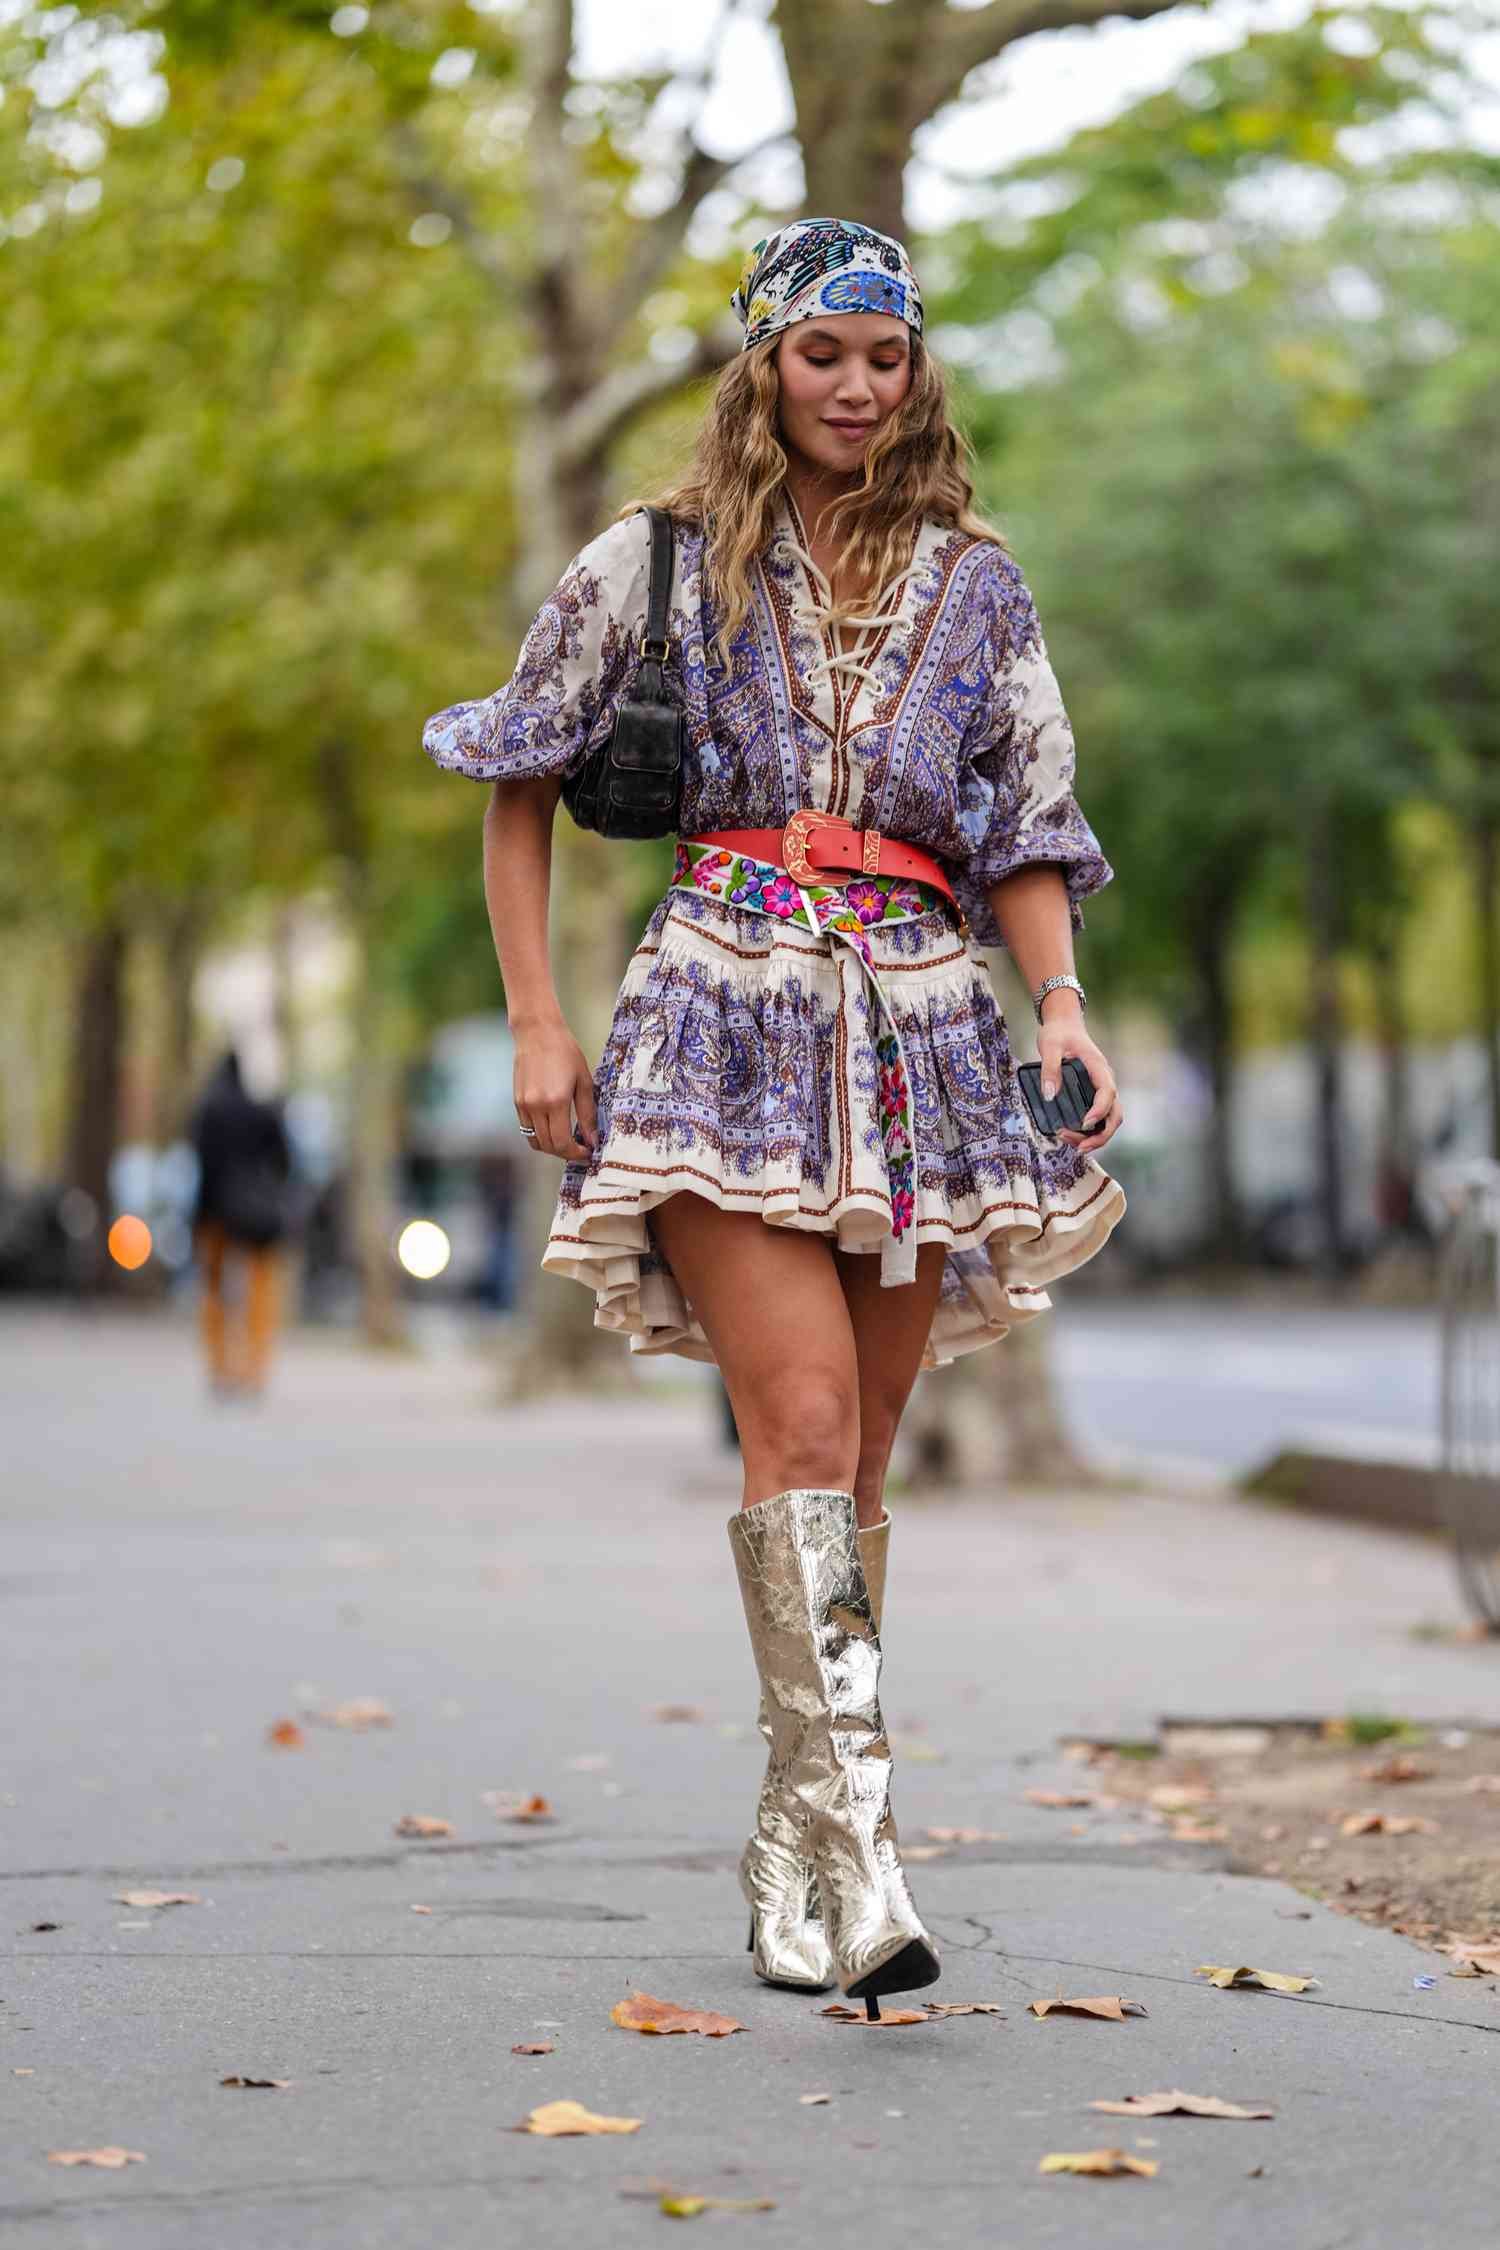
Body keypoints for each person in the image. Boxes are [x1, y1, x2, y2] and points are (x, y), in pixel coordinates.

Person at [423, 217, 1126, 2015]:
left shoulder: (983, 584)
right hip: (717, 1019)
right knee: (800, 1413)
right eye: (824, 356)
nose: (858, 389)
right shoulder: (651, 563)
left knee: (862, 1456)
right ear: (763, 367)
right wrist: (533, 1018)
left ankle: (790, 1842)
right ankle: (868, 1846)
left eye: (886, 359)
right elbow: (518, 773)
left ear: (917, 377)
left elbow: (1029, 824)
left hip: (922, 1033)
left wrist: (1059, 1004)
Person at [189, 1049, 294, 1399]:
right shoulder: (262, 1112)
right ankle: (255, 1369)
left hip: (214, 1214)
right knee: (260, 1292)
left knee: (215, 1292)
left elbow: (199, 1165)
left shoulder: (207, 1112)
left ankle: (220, 1367)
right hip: (258, 1218)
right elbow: (285, 1162)